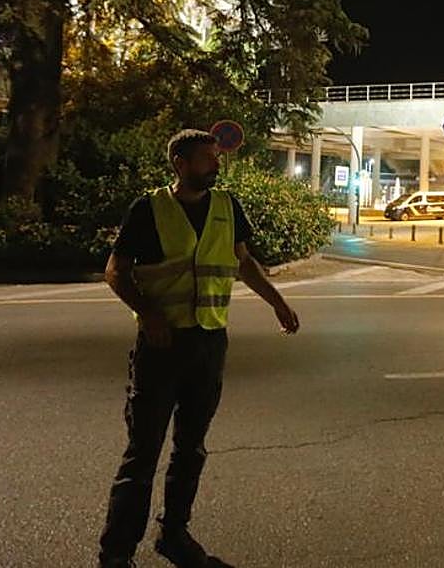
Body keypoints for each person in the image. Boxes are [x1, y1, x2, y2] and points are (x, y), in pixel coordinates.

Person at [98, 129, 300, 568]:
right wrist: (146, 313)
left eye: (216, 158)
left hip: (208, 343)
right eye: (207, 158)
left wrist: (278, 303)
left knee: (191, 448)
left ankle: (174, 534)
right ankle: (116, 553)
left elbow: (243, 262)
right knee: (143, 452)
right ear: (180, 164)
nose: (216, 165)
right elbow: (116, 270)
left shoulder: (227, 207)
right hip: (161, 346)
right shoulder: (149, 209)